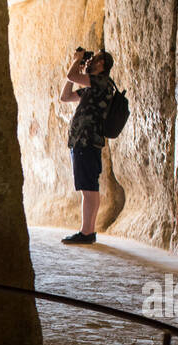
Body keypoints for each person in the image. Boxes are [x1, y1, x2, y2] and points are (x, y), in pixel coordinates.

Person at [60, 48, 115, 244]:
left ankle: (86, 232)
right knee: (88, 187)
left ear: (102, 65)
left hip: (88, 141)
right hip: (82, 141)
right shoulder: (93, 87)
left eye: (96, 59)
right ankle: (88, 231)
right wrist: (76, 70)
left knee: (89, 187)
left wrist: (76, 61)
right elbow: (65, 97)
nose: (91, 61)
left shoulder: (102, 82)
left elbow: (72, 75)